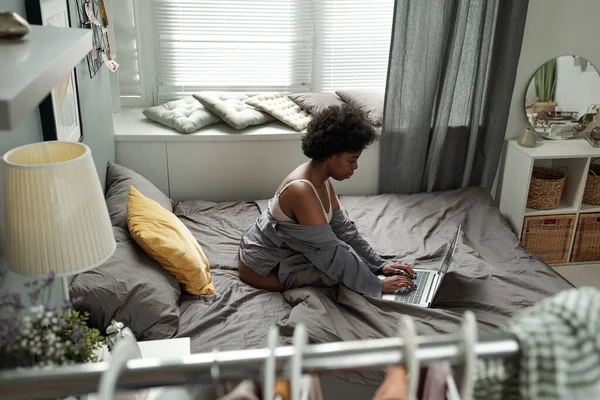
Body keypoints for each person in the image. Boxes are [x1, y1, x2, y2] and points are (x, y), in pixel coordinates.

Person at [238, 105, 416, 298]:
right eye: (352, 160)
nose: (355, 167)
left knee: (351, 263)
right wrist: (377, 285)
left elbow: (343, 230)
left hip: (289, 250)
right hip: (265, 270)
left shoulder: (320, 179)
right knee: (337, 276)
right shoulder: (302, 190)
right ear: (331, 156)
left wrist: (379, 264)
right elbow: (330, 251)